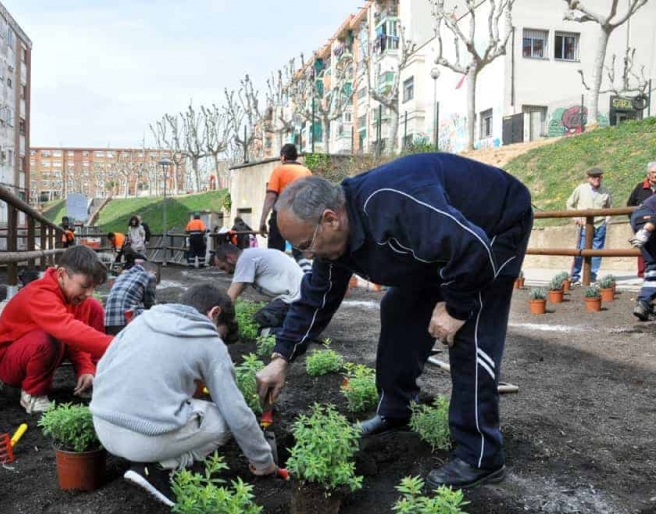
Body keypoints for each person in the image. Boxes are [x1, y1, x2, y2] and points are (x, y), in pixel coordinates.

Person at [254, 154, 533, 490]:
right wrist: (281, 357)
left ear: (330, 219)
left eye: (304, 245)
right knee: (398, 307)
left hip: (494, 228)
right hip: (446, 245)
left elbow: (472, 246)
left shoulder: (391, 203)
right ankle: (396, 409)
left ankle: (482, 456)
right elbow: (317, 296)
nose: (307, 254)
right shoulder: (334, 242)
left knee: (470, 331)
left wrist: (456, 309)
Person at [90, 284, 277, 507]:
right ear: (214, 313)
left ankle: (145, 460)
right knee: (222, 419)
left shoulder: (142, 320)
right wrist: (264, 462)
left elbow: (102, 367)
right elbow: (236, 412)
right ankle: (157, 468)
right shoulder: (208, 339)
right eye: (222, 331)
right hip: (144, 442)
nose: (219, 337)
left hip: (103, 427)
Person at [0, 245, 112, 414]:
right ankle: (32, 394)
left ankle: (94, 378)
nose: (89, 293)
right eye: (84, 286)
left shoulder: (76, 298)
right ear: (61, 275)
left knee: (94, 306)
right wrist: (119, 345)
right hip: (8, 362)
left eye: (93, 288)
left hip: (40, 353)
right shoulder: (40, 294)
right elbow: (69, 331)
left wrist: (86, 369)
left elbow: (76, 341)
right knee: (49, 337)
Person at [213, 243, 304, 330]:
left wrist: (217, 323)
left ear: (230, 258)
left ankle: (293, 332)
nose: (225, 273)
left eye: (223, 268)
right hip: (299, 293)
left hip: (295, 297)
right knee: (266, 316)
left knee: (262, 318)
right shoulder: (251, 255)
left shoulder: (245, 259)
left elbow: (229, 299)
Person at [259, 143, 313, 273]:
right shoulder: (306, 171)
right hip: (301, 215)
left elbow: (271, 196)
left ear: (283, 157)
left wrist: (262, 220)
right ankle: (307, 276)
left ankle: (277, 276)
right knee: (300, 250)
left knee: (276, 250)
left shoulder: (279, 171)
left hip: (281, 215)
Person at [566, 167, 612, 285]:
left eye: (599, 177)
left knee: (596, 252)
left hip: (600, 225)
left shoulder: (605, 190)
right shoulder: (581, 189)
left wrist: (606, 221)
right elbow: (569, 204)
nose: (597, 179)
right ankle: (575, 276)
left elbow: (610, 208)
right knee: (580, 251)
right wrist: (576, 217)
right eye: (594, 177)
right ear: (588, 178)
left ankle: (591, 276)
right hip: (584, 226)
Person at [105, 261, 160, 335]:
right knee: (155, 311)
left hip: (108, 322)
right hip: (126, 320)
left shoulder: (122, 275)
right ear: (154, 273)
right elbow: (150, 305)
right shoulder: (150, 275)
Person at [626, 161, 656, 278]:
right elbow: (630, 204)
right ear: (648, 174)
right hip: (641, 223)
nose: (655, 175)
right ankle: (642, 274)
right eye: (653, 172)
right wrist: (634, 221)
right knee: (643, 248)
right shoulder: (640, 187)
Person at [628, 193, 656, 320]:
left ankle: (644, 304)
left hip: (639, 217)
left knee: (653, 265)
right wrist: (646, 230)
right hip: (649, 220)